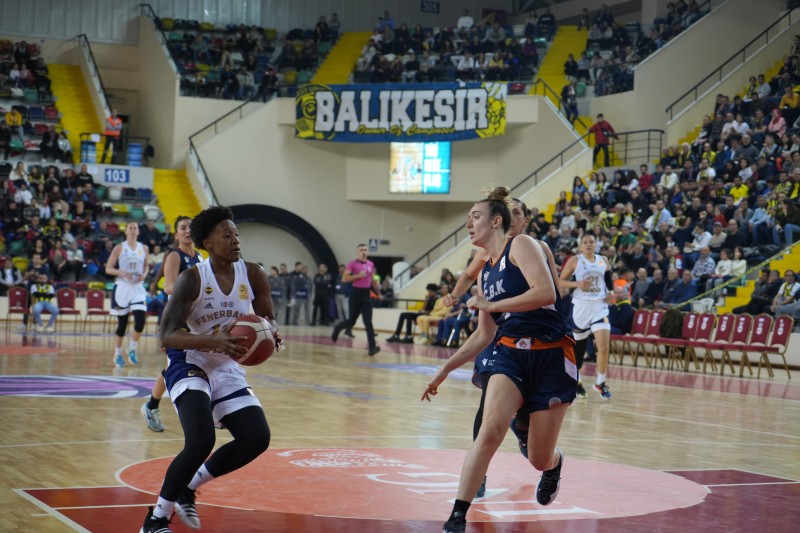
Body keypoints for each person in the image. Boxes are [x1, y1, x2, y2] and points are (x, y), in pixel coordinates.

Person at [422, 187, 574, 533]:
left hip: (550, 354)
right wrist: (444, 369)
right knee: (489, 429)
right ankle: (457, 515)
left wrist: (492, 305)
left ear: (495, 221)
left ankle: (554, 463)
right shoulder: (485, 273)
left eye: (474, 217)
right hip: (510, 354)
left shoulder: (523, 245)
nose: (468, 225)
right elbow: (483, 334)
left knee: (538, 458)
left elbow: (547, 293)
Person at [139, 205, 282, 533]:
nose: (235, 240)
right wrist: (212, 341)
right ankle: (155, 520)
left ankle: (188, 488)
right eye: (226, 235)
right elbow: (166, 335)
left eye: (236, 234)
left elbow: (268, 317)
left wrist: (269, 333)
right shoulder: (192, 279)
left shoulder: (254, 273)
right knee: (201, 440)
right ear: (208, 243)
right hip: (189, 360)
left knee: (256, 437)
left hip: (226, 364)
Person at [141, 216, 202, 433]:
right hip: (176, 319)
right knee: (175, 366)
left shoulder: (200, 256)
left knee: (184, 365)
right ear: (176, 234)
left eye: (191, 228)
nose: (187, 231)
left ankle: (151, 405)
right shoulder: (175, 255)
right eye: (183, 228)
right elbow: (169, 287)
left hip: (195, 319)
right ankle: (152, 406)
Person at [559, 233, 613, 399]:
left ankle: (600, 382)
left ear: (596, 244)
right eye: (585, 242)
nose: (588, 244)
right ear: (581, 245)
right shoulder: (575, 260)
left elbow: (608, 280)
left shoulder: (604, 260)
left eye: (591, 242)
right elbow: (560, 281)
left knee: (603, 346)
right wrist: (577, 284)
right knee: (578, 351)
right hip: (580, 307)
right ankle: (577, 380)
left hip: (599, 306)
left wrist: (611, 293)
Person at [105, 222, 149, 367]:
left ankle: (132, 348)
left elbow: (146, 266)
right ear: (126, 231)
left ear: (138, 231)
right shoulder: (119, 247)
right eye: (130, 228)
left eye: (135, 228)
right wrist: (122, 272)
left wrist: (144, 275)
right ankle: (117, 353)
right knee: (122, 324)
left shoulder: (144, 248)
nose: (133, 230)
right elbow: (108, 268)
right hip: (122, 287)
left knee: (140, 321)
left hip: (137, 288)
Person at [331, 244, 381, 356]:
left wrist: (378, 292)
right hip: (356, 294)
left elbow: (371, 280)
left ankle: (372, 348)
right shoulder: (352, 264)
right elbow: (344, 278)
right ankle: (338, 328)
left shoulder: (370, 264)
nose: (363, 252)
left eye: (365, 250)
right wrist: (357, 276)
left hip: (366, 295)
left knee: (368, 322)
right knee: (351, 322)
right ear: (357, 252)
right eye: (361, 250)